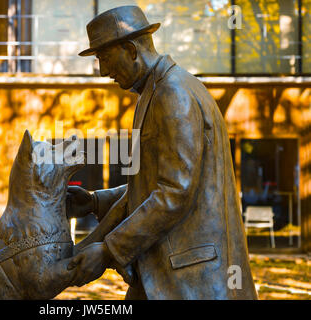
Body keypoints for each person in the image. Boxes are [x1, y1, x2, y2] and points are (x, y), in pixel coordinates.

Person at [66, 5, 258, 299]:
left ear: (131, 49)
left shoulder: (172, 93)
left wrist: (108, 250)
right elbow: (154, 186)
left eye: (104, 58)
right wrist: (94, 202)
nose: (103, 71)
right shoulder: (155, 91)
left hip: (192, 279)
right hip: (165, 272)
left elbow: (174, 193)